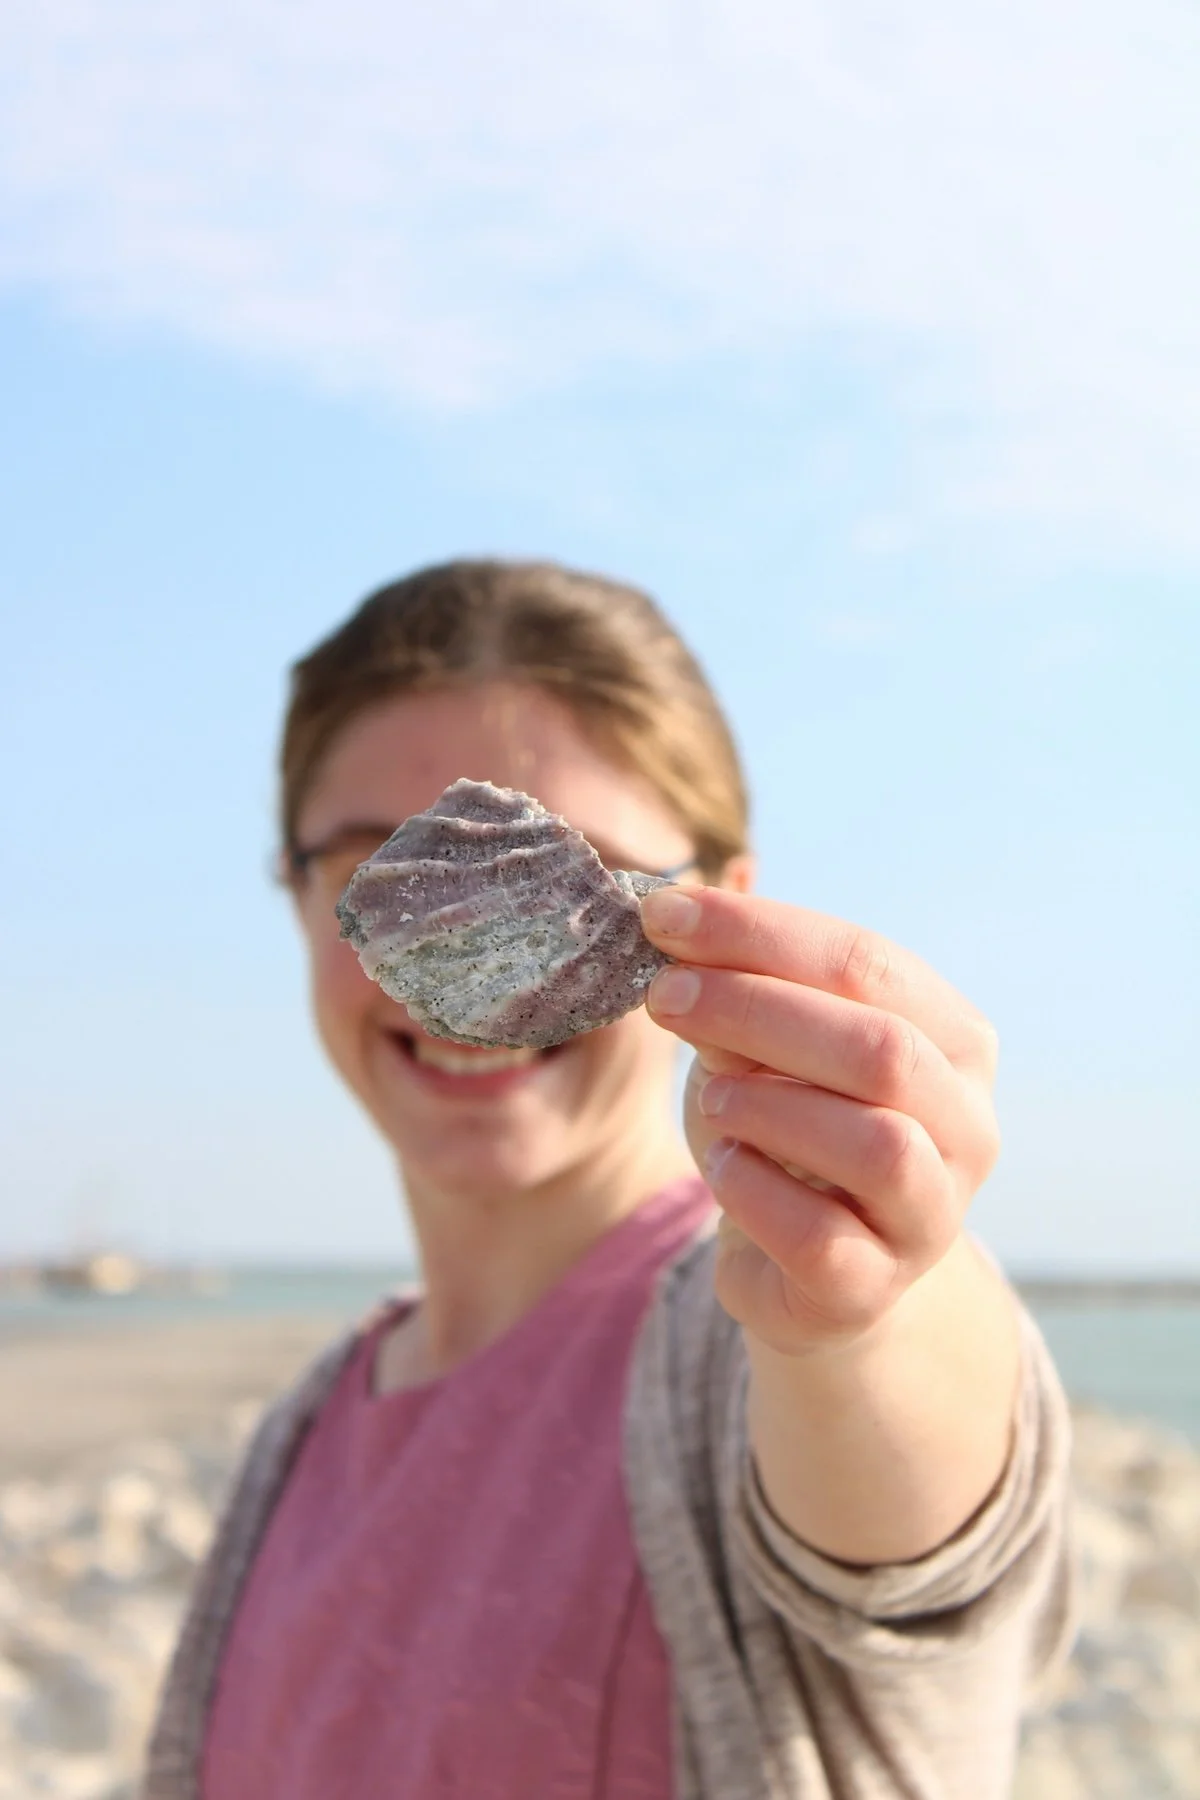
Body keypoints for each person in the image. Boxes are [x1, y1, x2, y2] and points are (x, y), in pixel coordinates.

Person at [143, 559, 1072, 1800]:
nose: (471, 954)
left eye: (556, 880)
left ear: (721, 904)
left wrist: (864, 1295)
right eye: (393, 873)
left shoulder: (746, 1331)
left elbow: (924, 1548)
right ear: (301, 892)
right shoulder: (299, 1441)